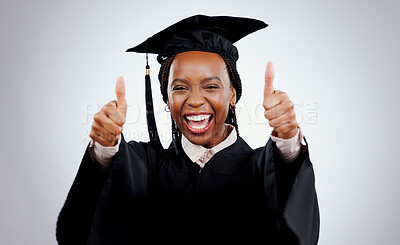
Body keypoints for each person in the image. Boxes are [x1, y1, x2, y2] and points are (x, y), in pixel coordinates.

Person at [56, 15, 319, 244]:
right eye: (180, 88)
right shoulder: (147, 164)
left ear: (232, 95)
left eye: (211, 86)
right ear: (167, 99)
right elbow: (108, 196)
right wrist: (104, 145)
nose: (194, 100)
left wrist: (287, 139)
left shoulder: (257, 167)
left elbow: (288, 203)